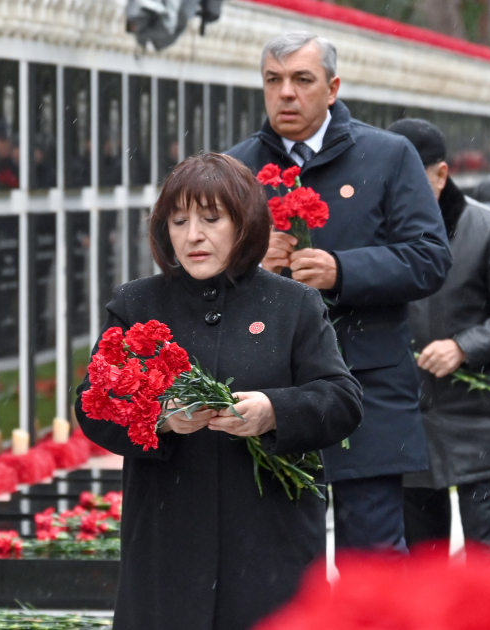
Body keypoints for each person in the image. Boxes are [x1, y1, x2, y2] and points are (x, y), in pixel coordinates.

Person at [76, 153, 363, 630]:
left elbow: (342, 399)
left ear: (245, 224)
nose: (193, 235)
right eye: (179, 221)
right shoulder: (137, 303)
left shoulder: (293, 303)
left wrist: (273, 410)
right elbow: (93, 403)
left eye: (211, 219)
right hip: (168, 543)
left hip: (271, 542)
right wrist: (160, 415)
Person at [227, 31, 451, 551]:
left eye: (302, 79)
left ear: (332, 88)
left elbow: (430, 258)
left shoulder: (388, 156)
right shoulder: (236, 169)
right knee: (274, 557)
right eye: (273, 80)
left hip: (369, 383)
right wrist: (248, 260)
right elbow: (198, 270)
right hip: (271, 387)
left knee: (372, 556)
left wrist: (342, 270)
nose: (286, 93)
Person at [386, 119, 490, 554]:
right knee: (423, 556)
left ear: (441, 174)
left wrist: (463, 347)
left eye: (409, 177)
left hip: (479, 416)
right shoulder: (374, 231)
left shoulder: (488, 228)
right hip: (405, 416)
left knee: (484, 551)